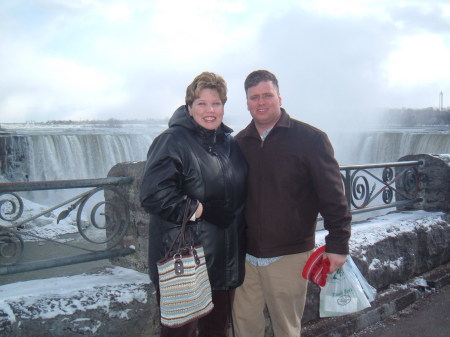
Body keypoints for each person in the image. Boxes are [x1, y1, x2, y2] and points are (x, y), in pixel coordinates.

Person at [232, 70, 352, 337]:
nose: (261, 102)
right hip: (246, 258)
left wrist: (338, 244)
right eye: (254, 98)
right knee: (243, 328)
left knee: (286, 328)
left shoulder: (310, 139)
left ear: (279, 97)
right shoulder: (238, 143)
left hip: (289, 255)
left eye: (267, 95)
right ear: (247, 103)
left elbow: (333, 197)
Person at [139, 72, 247, 337]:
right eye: (201, 103)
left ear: (224, 106)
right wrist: (202, 210)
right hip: (186, 262)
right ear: (189, 108)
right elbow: (153, 194)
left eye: (216, 103)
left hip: (223, 261)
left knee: (216, 331)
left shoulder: (230, 144)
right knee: (180, 333)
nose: (210, 111)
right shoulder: (172, 140)